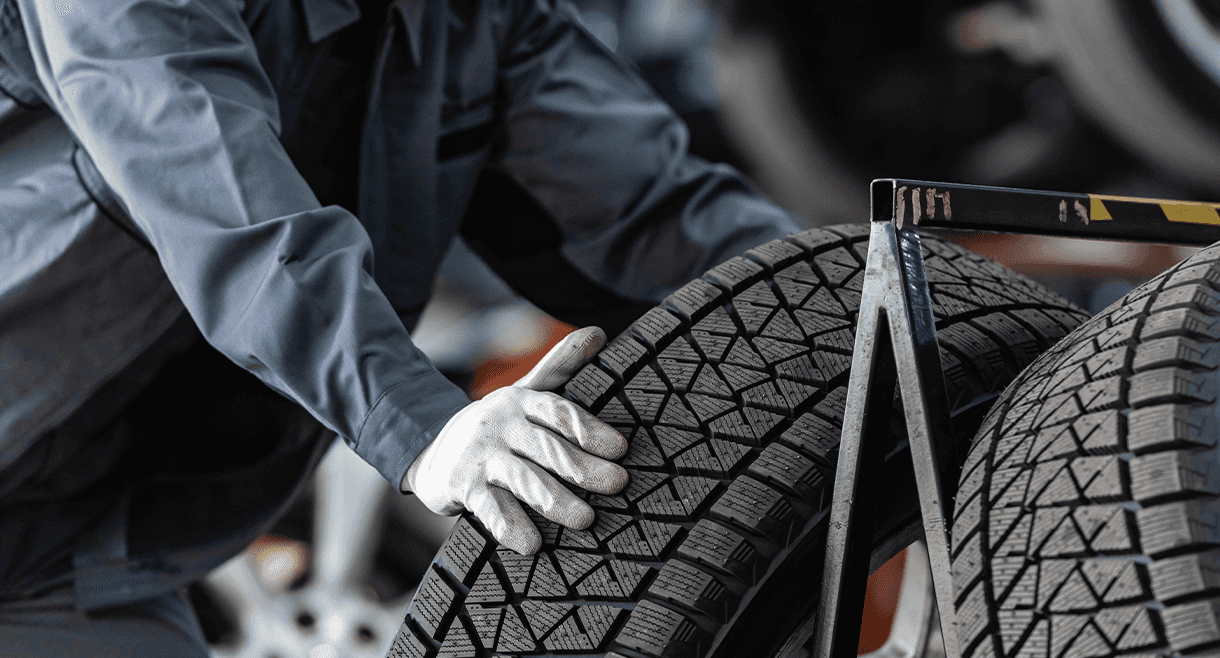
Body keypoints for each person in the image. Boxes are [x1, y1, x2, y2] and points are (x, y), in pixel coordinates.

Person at [0, 0, 801, 654]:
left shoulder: (475, 24)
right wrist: (421, 426)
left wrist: (868, 294)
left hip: (74, 558)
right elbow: (224, 206)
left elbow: (656, 222)